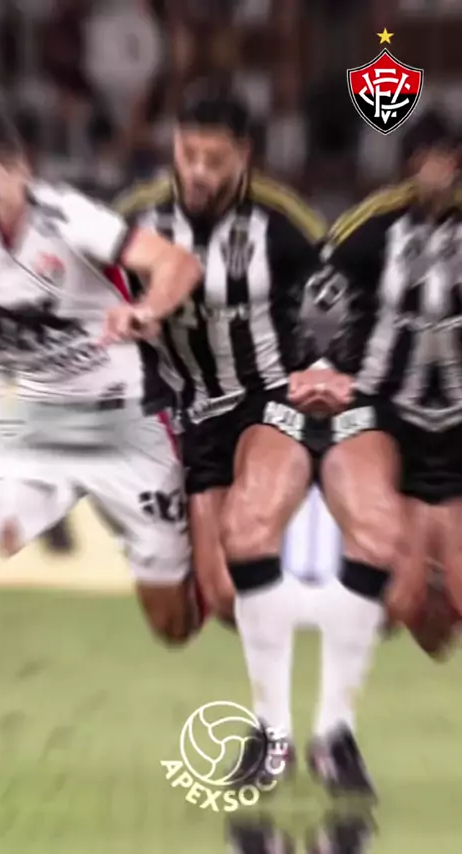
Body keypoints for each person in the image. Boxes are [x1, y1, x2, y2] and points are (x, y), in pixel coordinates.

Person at [114, 83, 358, 787]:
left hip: (267, 404)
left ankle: (286, 734)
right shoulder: (136, 221)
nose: (197, 172)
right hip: (194, 418)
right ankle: (340, 619)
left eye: (214, 160)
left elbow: (339, 309)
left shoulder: (286, 224)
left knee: (247, 537)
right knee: (219, 596)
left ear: (244, 155)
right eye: (188, 154)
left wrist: (326, 368)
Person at [0, 113, 205, 644]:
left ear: (22, 169)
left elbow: (178, 265)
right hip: (34, 421)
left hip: (122, 416)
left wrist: (147, 310)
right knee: (4, 529)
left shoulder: (66, 216)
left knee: (172, 623)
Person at [290, 109, 462, 795]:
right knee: (395, 595)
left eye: (449, 159)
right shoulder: (369, 229)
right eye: (428, 158)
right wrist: (323, 368)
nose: (439, 171)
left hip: (457, 430)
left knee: (433, 621)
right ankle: (329, 734)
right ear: (411, 162)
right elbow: (319, 302)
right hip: (387, 422)